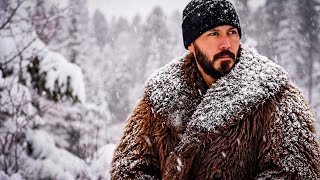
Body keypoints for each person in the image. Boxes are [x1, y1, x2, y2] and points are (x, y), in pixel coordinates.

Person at [110, 0, 320, 179]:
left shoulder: (275, 92)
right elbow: (129, 168)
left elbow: (296, 172)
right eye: (213, 34)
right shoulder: (159, 95)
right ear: (192, 45)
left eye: (232, 32)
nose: (226, 43)